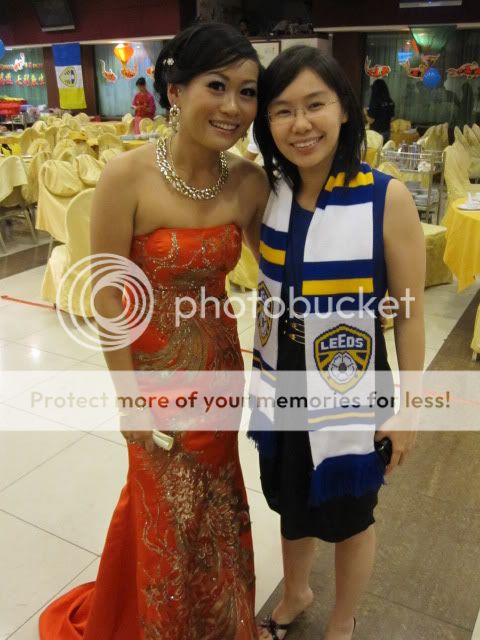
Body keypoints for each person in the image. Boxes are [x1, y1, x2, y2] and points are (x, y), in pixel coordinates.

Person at [39, 22, 269, 640]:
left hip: (219, 365)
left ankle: (220, 619)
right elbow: (108, 295)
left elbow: (280, 270)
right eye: (216, 86)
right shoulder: (127, 176)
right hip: (153, 375)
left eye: (248, 92)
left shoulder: (248, 182)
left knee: (216, 494)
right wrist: (129, 400)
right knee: (165, 501)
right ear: (174, 91)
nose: (233, 106)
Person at [247, 46, 425, 640]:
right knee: (290, 501)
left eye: (315, 105)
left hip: (351, 379)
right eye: (282, 110)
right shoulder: (269, 193)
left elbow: (409, 314)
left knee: (350, 515)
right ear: (267, 123)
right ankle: (296, 592)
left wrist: (409, 408)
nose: (300, 124)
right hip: (280, 378)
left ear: (344, 109)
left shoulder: (384, 198)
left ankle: (343, 621)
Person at [365, 78, 395, 142]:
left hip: (377, 134)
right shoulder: (390, 101)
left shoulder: (375, 101)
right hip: (387, 132)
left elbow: (371, 120)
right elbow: (392, 118)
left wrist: (365, 113)